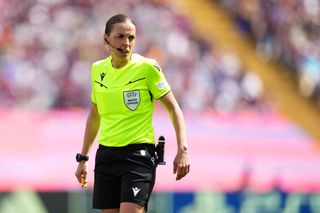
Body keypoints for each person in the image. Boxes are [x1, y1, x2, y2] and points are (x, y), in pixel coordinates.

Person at [75, 14, 190, 213]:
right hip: (106, 156)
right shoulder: (97, 69)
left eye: (131, 38)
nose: (126, 43)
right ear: (106, 39)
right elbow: (95, 115)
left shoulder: (147, 68)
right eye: (120, 37)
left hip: (138, 157)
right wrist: (83, 158)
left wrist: (183, 149)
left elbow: (174, 108)